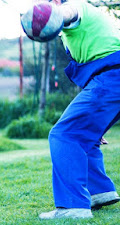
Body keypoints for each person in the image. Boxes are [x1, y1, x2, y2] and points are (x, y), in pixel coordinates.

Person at [36, 0, 120, 220]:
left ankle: (73, 206)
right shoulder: (82, 27)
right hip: (111, 79)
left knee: (63, 135)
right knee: (85, 136)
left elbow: (69, 12)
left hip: (112, 77)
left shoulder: (75, 7)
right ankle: (100, 192)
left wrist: (50, 14)